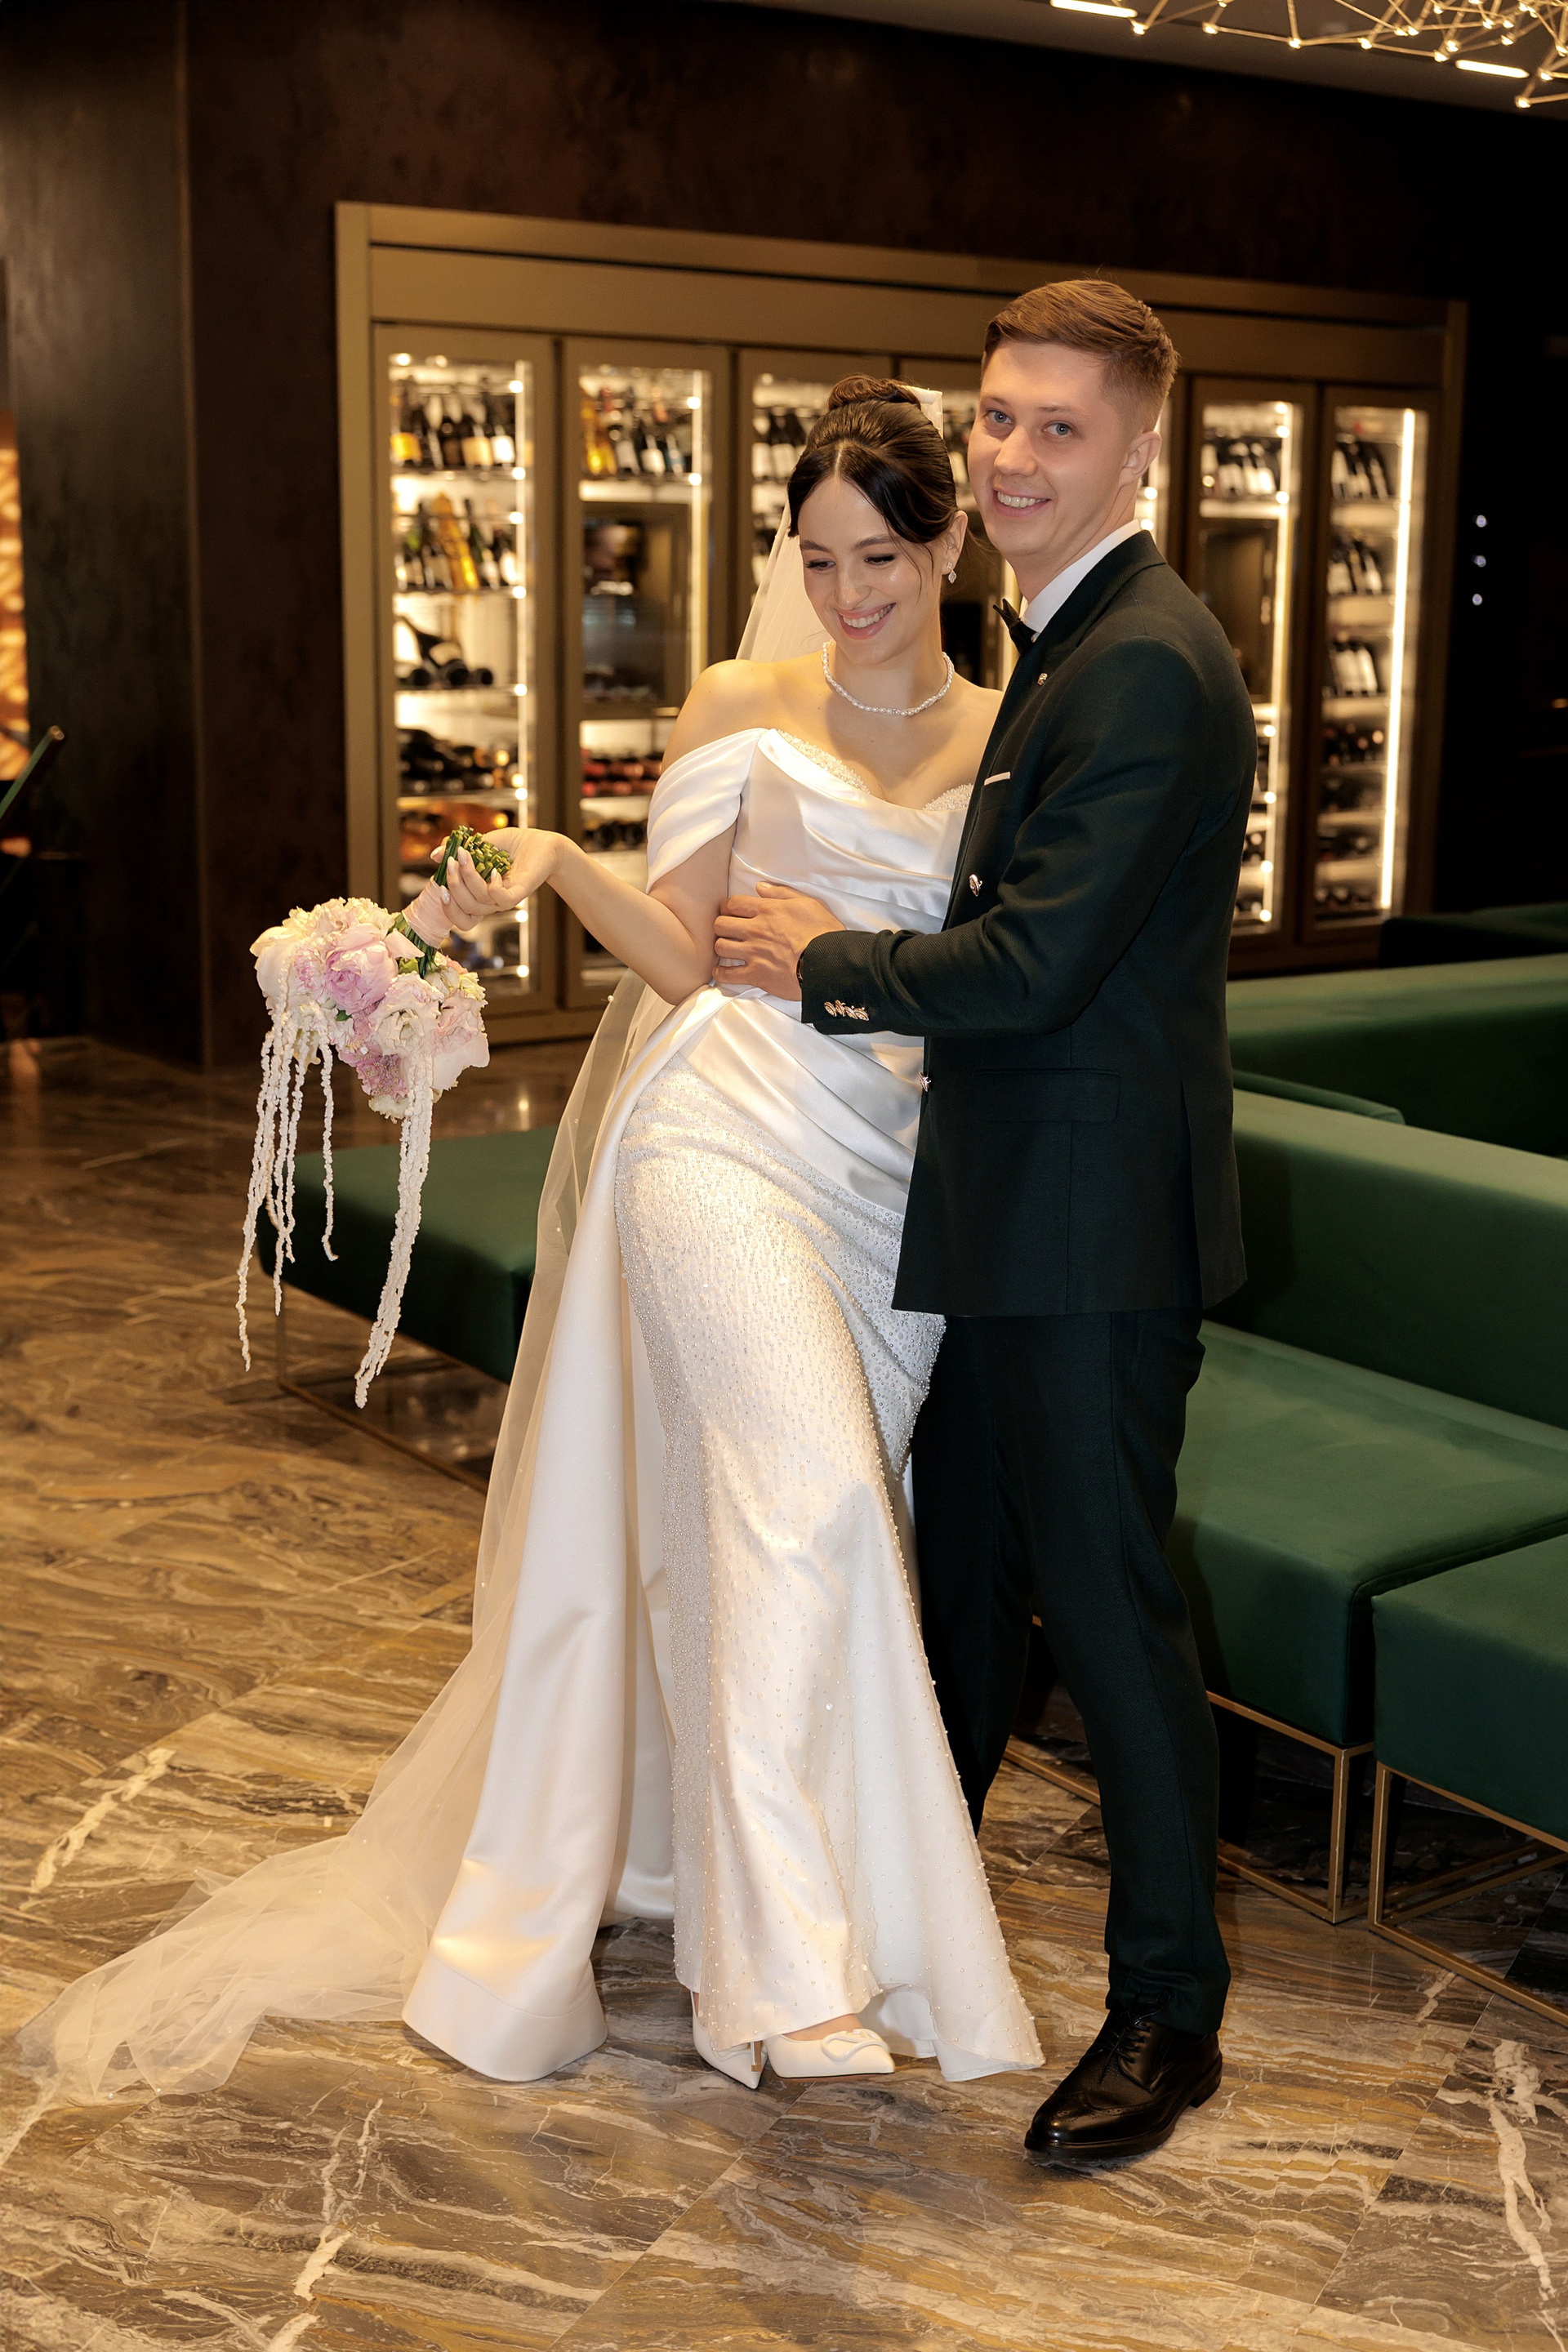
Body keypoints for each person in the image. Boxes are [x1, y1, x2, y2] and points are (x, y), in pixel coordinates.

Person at [16, 380, 1040, 2105]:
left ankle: (739, 1893)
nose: (845, 593)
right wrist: (560, 860)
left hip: (891, 1183)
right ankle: (784, 1979)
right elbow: (686, 955)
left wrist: (867, 968)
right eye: (815, 558)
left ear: (947, 547)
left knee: (770, 1531)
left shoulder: (1008, 738)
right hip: (718, 1131)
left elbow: (1007, 980)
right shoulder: (743, 701)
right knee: (805, 1503)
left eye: (878, 557)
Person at [713, 282, 1256, 2163]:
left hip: (1093, 1244)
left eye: (1060, 427)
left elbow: (1033, 966)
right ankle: (894, 1943)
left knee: (1107, 1618)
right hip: (1008, 1214)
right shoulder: (1062, 634)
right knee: (957, 1599)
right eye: (1000, 416)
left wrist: (824, 957)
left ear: (1140, 450)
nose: (1016, 455)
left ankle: (1170, 2012)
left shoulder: (1148, 660)